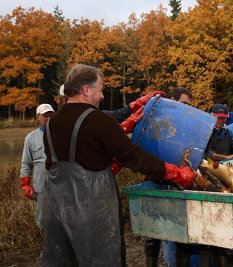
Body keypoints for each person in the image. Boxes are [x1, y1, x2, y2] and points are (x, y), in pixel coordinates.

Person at [41, 64, 197, 266]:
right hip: (92, 213)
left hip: (57, 211)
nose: (102, 96)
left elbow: (81, 154)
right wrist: (177, 173)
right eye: (101, 90)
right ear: (86, 90)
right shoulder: (97, 119)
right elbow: (136, 157)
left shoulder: (52, 122)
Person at [145, 86, 193, 267]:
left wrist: (185, 164)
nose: (186, 108)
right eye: (183, 103)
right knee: (152, 231)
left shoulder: (188, 125)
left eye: (189, 105)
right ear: (172, 100)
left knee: (179, 228)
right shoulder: (156, 121)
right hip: (155, 180)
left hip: (177, 183)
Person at [20, 104, 55, 229]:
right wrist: (25, 183)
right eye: (45, 115)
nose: (49, 118)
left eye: (51, 115)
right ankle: (46, 246)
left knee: (64, 218)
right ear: (37, 117)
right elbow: (26, 163)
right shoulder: (30, 138)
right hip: (41, 185)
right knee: (43, 219)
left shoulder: (62, 134)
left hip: (62, 185)